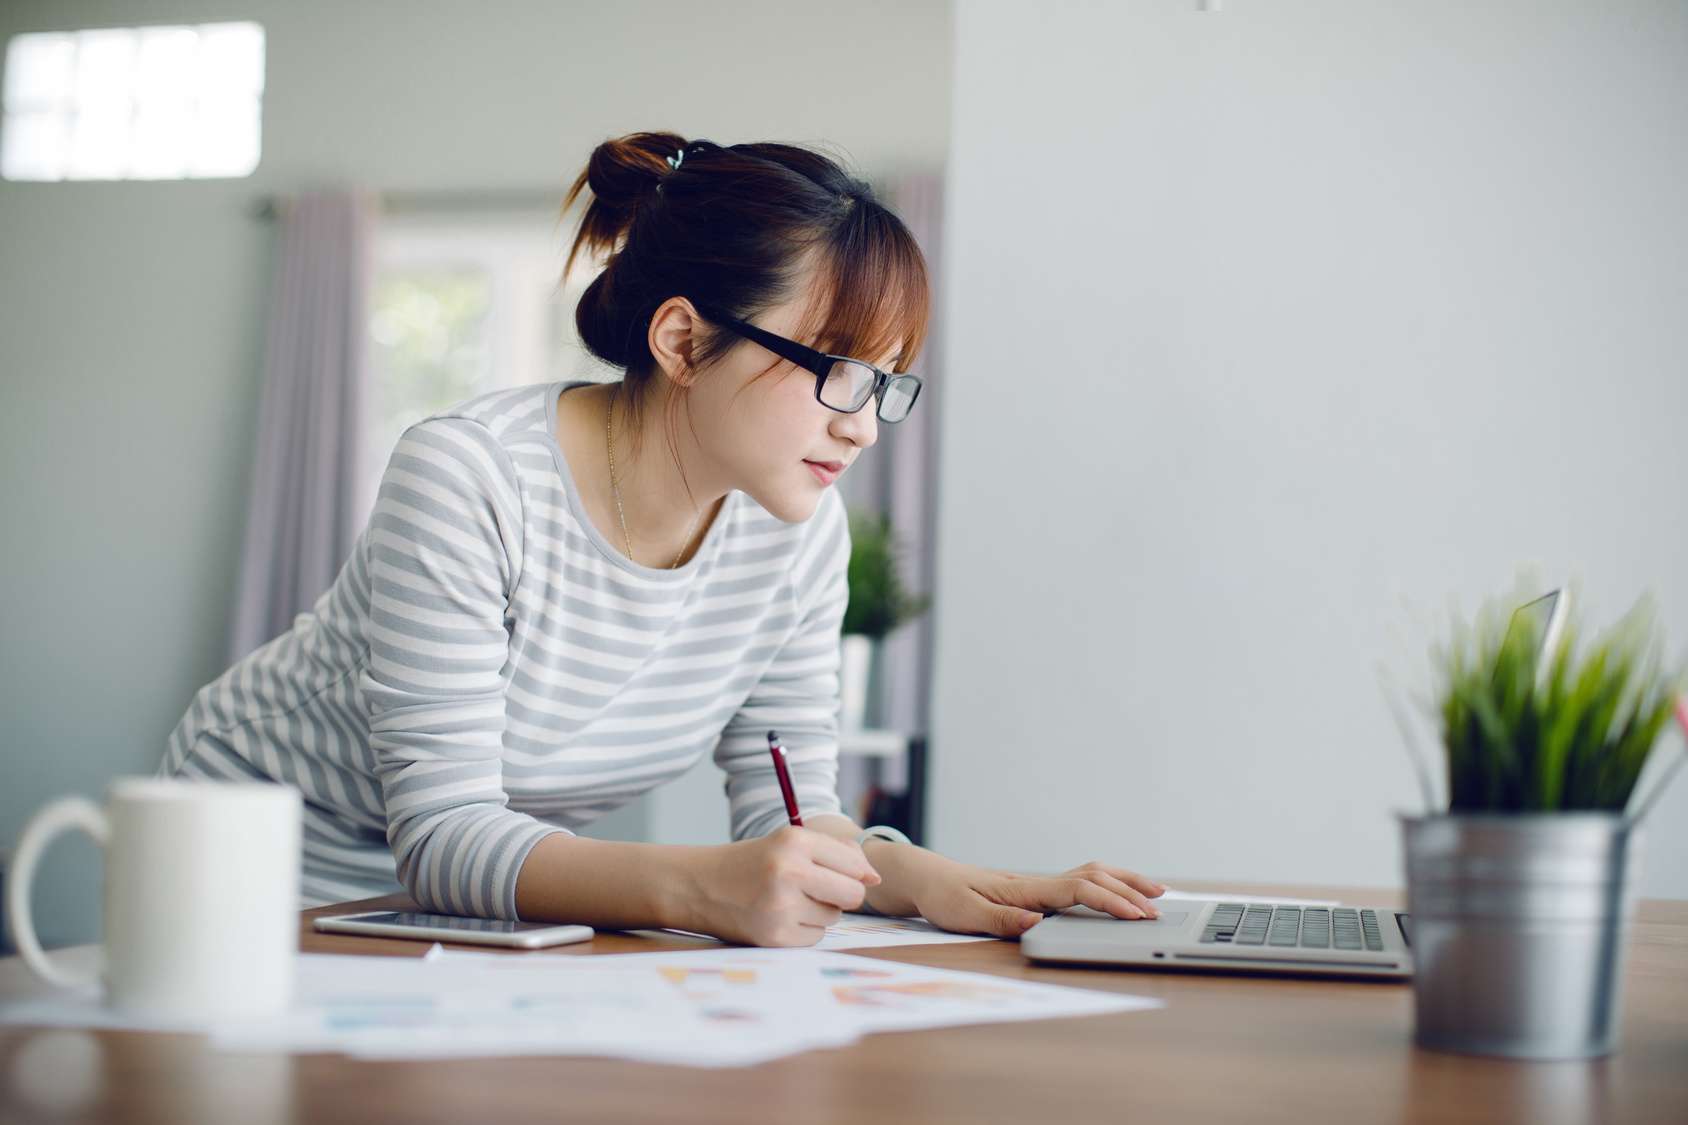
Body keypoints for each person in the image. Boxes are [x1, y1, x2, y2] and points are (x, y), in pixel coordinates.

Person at [158, 131, 1165, 947]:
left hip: (495, 917)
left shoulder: (796, 538)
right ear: (683, 341)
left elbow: (788, 819)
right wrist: (702, 890)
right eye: (835, 368)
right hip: (261, 869)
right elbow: (443, 839)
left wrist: (940, 883)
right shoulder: (469, 479)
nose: (860, 424)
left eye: (886, 380)